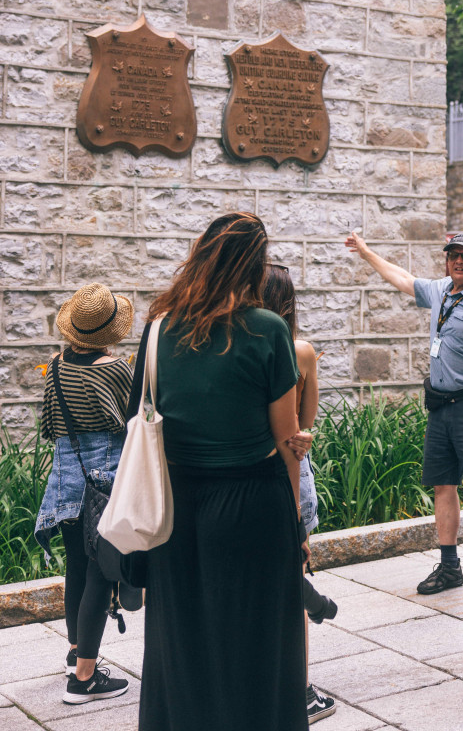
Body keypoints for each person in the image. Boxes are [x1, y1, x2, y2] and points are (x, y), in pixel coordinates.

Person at [135, 213, 308, 731]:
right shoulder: (268, 329)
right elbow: (286, 438)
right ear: (253, 265)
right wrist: (296, 521)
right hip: (250, 501)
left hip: (176, 504)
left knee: (178, 637)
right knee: (257, 637)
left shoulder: (158, 328)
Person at [345, 230, 463, 596]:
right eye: (454, 255)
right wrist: (368, 253)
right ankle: (449, 565)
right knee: (442, 484)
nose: (459, 261)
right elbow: (402, 278)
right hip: (439, 405)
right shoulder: (440, 290)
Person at [34, 282, 134, 704]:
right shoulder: (115, 369)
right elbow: (134, 424)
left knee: (77, 565)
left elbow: (48, 425)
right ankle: (84, 680)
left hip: (67, 482)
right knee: (102, 574)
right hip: (105, 482)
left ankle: (76, 650)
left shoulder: (56, 366)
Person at [263, 262, 338, 723]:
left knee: (273, 582)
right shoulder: (302, 351)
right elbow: (304, 427)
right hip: (294, 471)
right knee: (293, 576)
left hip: (256, 472)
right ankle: (300, 687)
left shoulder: (240, 347)